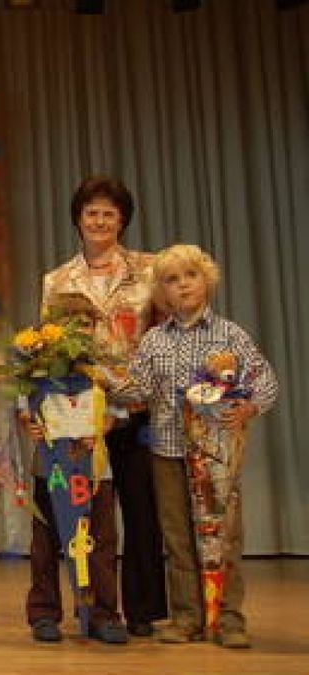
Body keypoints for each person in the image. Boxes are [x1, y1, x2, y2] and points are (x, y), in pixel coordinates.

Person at [105, 244, 277, 649]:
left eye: (190, 275)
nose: (182, 285)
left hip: (216, 452)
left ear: (207, 280)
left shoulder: (230, 334)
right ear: (162, 292)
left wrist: (249, 407)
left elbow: (264, 378)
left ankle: (230, 619)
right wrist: (98, 378)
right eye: (171, 279)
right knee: (177, 536)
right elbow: (138, 390)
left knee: (224, 535)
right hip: (167, 450)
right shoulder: (152, 342)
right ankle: (187, 618)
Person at [31, 176, 167, 639]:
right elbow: (47, 349)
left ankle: (142, 610)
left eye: (109, 213)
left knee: (141, 510)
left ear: (122, 219)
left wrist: (136, 398)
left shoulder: (150, 271)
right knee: (71, 512)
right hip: (77, 410)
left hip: (137, 403)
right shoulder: (56, 280)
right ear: (78, 219)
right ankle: (73, 608)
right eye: (92, 212)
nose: (100, 220)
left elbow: (165, 332)